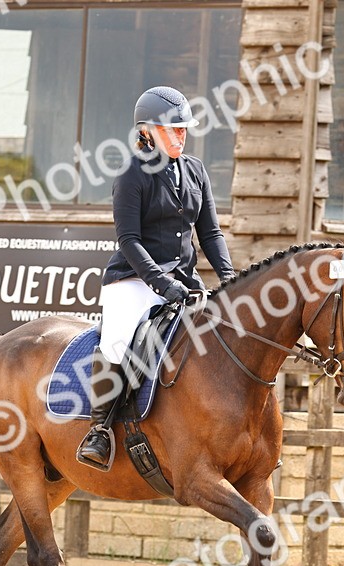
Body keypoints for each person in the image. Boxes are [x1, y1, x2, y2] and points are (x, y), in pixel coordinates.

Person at [76, 86, 236, 471]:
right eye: (173, 130)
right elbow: (128, 240)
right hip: (133, 280)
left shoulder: (196, 170)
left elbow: (210, 234)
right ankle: (99, 430)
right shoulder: (132, 173)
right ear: (147, 131)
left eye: (184, 130)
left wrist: (230, 277)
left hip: (184, 280)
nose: (181, 136)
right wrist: (161, 285)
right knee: (117, 340)